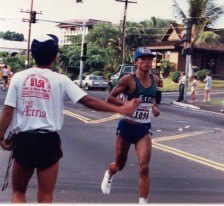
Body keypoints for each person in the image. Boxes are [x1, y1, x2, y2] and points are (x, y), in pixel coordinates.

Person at [0, 34, 140, 203]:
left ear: (33, 54)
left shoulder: (18, 78)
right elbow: (88, 101)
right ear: (55, 57)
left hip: (24, 141)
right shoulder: (61, 80)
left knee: (18, 193)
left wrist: (1, 137)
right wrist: (121, 108)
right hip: (48, 142)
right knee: (45, 196)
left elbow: (8, 111)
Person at [101, 47, 160, 204]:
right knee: (120, 165)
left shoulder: (155, 79)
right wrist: (128, 104)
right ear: (136, 62)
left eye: (150, 59)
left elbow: (151, 97)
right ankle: (109, 173)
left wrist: (154, 106)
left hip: (143, 128)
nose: (148, 62)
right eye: (143, 59)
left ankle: (142, 202)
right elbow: (110, 98)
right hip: (126, 126)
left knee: (144, 168)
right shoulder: (128, 79)